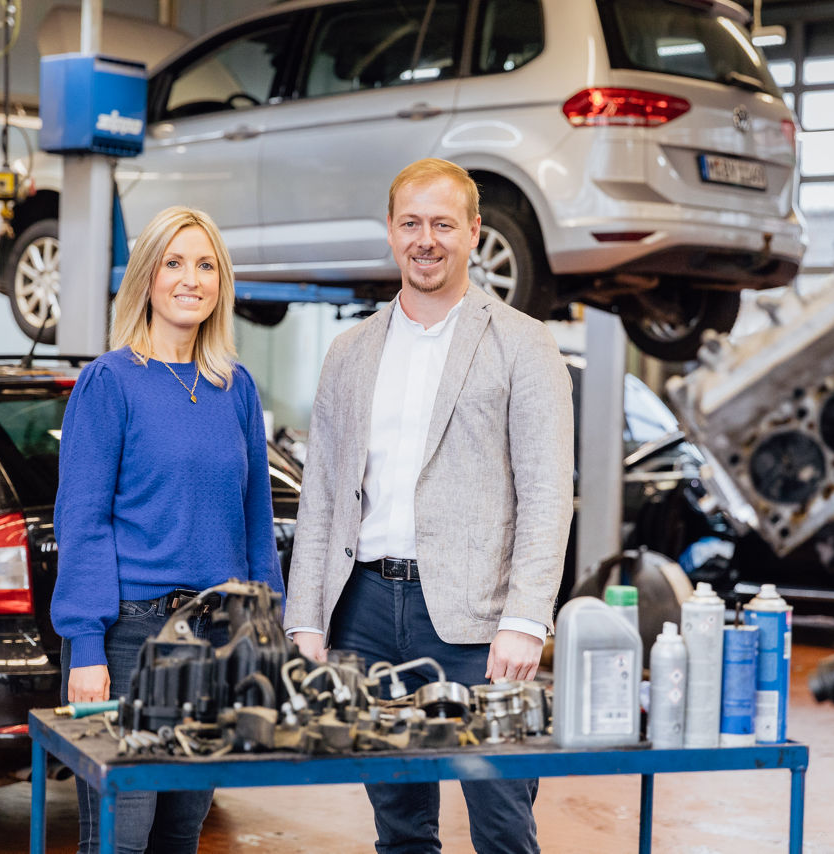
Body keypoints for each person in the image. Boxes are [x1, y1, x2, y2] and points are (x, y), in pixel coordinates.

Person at [284, 158, 573, 853]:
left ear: (474, 232)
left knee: (502, 824)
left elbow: (546, 492)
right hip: (367, 616)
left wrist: (527, 619)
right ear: (390, 232)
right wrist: (307, 617)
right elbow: (322, 493)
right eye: (411, 223)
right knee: (400, 827)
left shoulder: (523, 343)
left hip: (478, 625)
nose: (426, 240)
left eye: (443, 224)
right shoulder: (350, 352)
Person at [52, 206, 283, 854]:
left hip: (212, 639)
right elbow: (83, 522)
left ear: (222, 283)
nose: (191, 279)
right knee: (122, 836)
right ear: (148, 278)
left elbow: (255, 522)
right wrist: (87, 646)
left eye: (206, 265)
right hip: (130, 637)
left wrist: (264, 636)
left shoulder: (234, 388)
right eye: (175, 263)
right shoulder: (110, 382)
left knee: (182, 833)